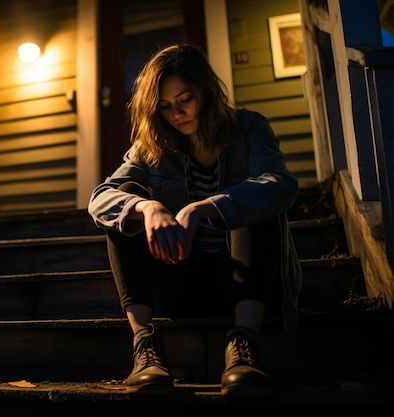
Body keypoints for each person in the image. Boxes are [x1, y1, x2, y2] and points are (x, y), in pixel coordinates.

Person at [87, 43, 302, 397]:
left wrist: (202, 208)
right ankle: (145, 347)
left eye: (185, 98)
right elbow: (101, 199)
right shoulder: (150, 147)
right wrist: (148, 208)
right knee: (126, 203)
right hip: (180, 282)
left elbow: (279, 185)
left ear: (205, 90)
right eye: (166, 107)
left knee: (254, 197)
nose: (177, 113)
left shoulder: (248, 128)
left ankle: (244, 345)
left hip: (246, 285)